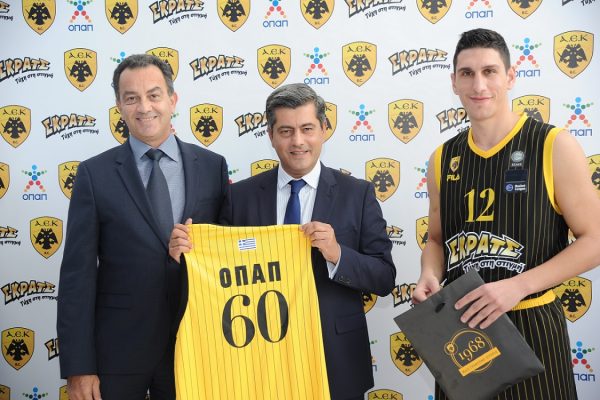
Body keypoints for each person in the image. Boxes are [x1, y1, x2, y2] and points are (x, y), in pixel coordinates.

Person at [169, 83, 396, 400]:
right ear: (271, 135)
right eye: (286, 131)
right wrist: (185, 258)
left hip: (334, 360)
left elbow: (384, 278)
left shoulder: (357, 194)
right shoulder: (239, 197)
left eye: (307, 129)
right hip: (259, 362)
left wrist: (337, 254)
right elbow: (217, 276)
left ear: (324, 129)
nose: (298, 141)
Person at [412, 28, 600, 399]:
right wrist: (429, 274)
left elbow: (595, 239)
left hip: (533, 327)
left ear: (510, 76)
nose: (478, 84)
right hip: (463, 333)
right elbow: (436, 239)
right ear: (454, 82)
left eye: (490, 71)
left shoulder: (552, 145)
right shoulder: (442, 159)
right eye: (467, 73)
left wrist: (518, 286)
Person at [57, 54, 228, 400]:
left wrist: (196, 255)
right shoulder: (94, 174)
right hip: (117, 351)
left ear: (172, 100)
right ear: (119, 106)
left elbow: (228, 254)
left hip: (196, 346)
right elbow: (77, 277)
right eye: (131, 98)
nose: (144, 107)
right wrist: (78, 367)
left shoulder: (213, 167)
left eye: (153, 95)